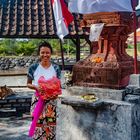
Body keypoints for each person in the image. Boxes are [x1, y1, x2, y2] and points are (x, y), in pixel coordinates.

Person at [27, 41, 61, 140]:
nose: (45, 55)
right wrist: (37, 87)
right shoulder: (33, 68)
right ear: (39, 53)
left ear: (51, 53)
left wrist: (54, 92)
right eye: (42, 52)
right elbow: (28, 84)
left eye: (47, 52)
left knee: (50, 125)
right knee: (38, 125)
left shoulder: (56, 68)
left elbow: (58, 84)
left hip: (51, 101)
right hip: (38, 100)